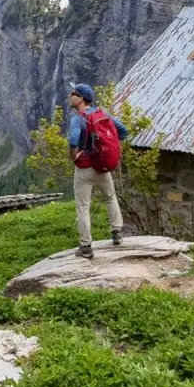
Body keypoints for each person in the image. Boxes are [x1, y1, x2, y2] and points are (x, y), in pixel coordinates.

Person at [68, 84, 129, 259]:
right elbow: (123, 131)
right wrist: (112, 149)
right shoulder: (103, 114)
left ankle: (86, 247)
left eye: (73, 94)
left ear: (80, 99)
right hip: (102, 166)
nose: (70, 95)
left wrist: (74, 155)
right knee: (110, 197)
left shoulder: (78, 119)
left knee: (83, 206)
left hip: (84, 169)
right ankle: (116, 233)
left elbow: (73, 140)